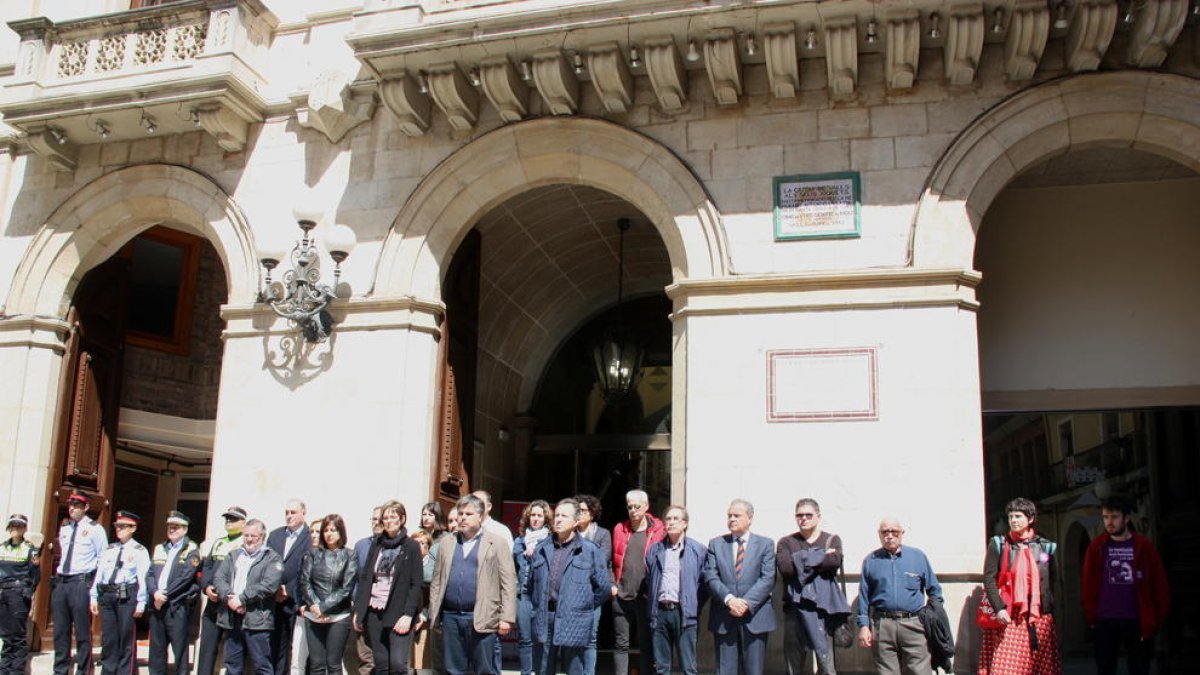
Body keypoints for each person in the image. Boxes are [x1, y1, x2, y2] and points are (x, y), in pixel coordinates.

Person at [426, 494, 516, 675]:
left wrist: (506, 617)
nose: (462, 518)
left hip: (482, 616)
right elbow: (437, 581)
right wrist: (435, 612)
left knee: (483, 669)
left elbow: (508, 581)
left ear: (481, 517)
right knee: (453, 669)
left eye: (468, 514)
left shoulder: (496, 543)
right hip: (451, 617)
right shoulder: (446, 543)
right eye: (460, 514)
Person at [1081, 496, 1170, 675]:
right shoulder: (1097, 547)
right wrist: (1092, 616)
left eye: (1114, 517)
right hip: (1105, 619)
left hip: (1137, 620)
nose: (1109, 522)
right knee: (1105, 668)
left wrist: (1154, 619)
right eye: (1105, 517)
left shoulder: (1144, 546)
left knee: (1139, 668)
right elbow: (1087, 584)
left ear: (1126, 518)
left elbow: (1159, 583)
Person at [978, 498, 1060, 674]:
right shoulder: (998, 544)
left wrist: (1047, 608)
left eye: (1018, 516)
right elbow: (989, 579)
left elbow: (1052, 579)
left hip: (1039, 616)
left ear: (1030, 519)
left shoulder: (1045, 546)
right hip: (1009, 615)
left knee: (1040, 668)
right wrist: (999, 608)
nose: (1013, 520)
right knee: (1006, 668)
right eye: (1010, 517)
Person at [528, 499, 609, 675]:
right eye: (556, 515)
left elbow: (603, 588)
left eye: (564, 516)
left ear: (576, 522)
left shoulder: (590, 551)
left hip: (574, 619)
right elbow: (531, 586)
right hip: (545, 618)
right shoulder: (541, 549)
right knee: (543, 669)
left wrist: (583, 606)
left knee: (574, 669)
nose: (558, 519)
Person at [856, 518, 942, 675]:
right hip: (883, 625)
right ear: (879, 534)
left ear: (902, 533)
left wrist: (931, 617)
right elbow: (863, 597)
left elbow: (935, 591)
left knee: (920, 671)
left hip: (914, 624)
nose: (889, 535)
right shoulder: (870, 561)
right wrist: (863, 626)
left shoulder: (918, 557)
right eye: (885, 532)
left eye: (894, 531)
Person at [703, 499, 777, 675]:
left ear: (749, 518)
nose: (732, 519)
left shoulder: (765, 544)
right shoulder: (716, 544)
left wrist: (745, 603)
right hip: (724, 615)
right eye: (729, 515)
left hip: (755, 616)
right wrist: (730, 600)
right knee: (725, 670)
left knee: (754, 670)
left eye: (737, 515)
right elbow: (710, 576)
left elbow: (768, 578)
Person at [353, 500, 422, 675]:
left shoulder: (411, 547)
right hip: (375, 611)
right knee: (381, 663)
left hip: (399, 613)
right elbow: (366, 578)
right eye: (385, 517)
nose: (389, 520)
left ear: (402, 519)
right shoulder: (377, 544)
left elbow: (416, 584)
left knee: (398, 664)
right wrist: (359, 611)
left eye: (393, 516)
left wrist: (408, 615)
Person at [776, 498, 844, 675]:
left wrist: (799, 558)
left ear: (818, 516)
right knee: (794, 666)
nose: (803, 518)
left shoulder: (832, 540)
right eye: (799, 515)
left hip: (824, 611)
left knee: (826, 665)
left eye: (808, 515)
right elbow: (786, 569)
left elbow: (833, 562)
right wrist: (821, 555)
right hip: (795, 610)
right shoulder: (786, 542)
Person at [214, 518, 284, 675]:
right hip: (231, 618)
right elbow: (219, 578)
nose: (249, 539)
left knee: (262, 665)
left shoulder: (272, 558)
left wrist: (242, 599)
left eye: (254, 536)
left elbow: (269, 585)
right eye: (246, 535)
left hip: (257, 619)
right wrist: (230, 598)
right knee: (232, 664)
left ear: (263, 537)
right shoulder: (233, 555)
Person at [645, 505, 706, 675]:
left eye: (675, 519)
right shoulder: (655, 550)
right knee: (662, 667)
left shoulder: (697, 550)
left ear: (685, 523)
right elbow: (650, 578)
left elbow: (704, 584)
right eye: (668, 519)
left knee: (688, 666)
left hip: (684, 613)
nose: (671, 522)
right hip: (660, 613)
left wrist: (692, 604)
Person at [52, 491, 108, 675]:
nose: (72, 509)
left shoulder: (95, 529)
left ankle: (84, 670)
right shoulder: (65, 528)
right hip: (62, 581)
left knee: (82, 631)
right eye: (70, 505)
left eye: (76, 505)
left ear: (86, 507)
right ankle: (60, 670)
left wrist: (94, 589)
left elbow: (102, 559)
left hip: (81, 582)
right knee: (60, 630)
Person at [90, 510, 151, 675]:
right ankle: (108, 671)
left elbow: (143, 578)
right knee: (109, 638)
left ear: (133, 528)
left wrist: (141, 602)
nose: (118, 529)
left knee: (126, 638)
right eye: (117, 526)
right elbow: (100, 574)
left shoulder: (139, 550)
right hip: (107, 594)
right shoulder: (110, 549)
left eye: (123, 526)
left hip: (126, 595)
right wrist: (94, 596)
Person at [611, 489, 665, 675]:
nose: (633, 510)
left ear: (646, 507)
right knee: (620, 644)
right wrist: (613, 585)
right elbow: (611, 561)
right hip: (621, 594)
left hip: (645, 596)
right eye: (630, 506)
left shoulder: (658, 530)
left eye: (637, 506)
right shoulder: (620, 529)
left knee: (645, 643)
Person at [146, 510, 202, 675]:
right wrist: (155, 592)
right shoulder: (160, 548)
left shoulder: (191, 549)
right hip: (157, 604)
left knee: (180, 650)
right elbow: (149, 574)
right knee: (156, 650)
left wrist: (165, 595)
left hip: (176, 606)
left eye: (176, 527)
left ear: (185, 530)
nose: (172, 530)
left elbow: (185, 578)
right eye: (170, 526)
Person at [302, 514, 358, 675]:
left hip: (338, 616)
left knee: (333, 664)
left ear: (341, 532)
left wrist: (324, 607)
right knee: (316, 664)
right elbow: (304, 582)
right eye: (326, 530)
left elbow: (346, 588)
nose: (329, 533)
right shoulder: (312, 553)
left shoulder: (350, 555)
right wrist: (315, 606)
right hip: (313, 615)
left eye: (333, 530)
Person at [197, 506, 248, 675]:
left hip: (230, 603)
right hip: (213, 602)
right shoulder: (219, 542)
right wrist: (206, 588)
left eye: (233, 519)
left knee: (233, 649)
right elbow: (208, 567)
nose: (228, 521)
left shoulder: (244, 544)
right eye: (227, 518)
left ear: (243, 522)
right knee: (207, 648)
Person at [267, 499, 312, 675]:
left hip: (298, 601)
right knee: (277, 645)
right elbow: (267, 564)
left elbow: (308, 568)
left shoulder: (310, 536)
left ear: (303, 513)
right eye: (287, 512)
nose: (289, 516)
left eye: (293, 512)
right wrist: (276, 588)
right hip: (275, 599)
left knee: (300, 647)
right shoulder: (275, 535)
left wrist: (290, 589)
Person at [573, 494, 611, 675]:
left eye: (583, 511)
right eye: (577, 510)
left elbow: (601, 560)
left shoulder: (603, 534)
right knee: (573, 637)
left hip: (592, 593)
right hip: (570, 593)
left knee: (590, 638)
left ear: (592, 514)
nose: (579, 514)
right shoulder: (568, 532)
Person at [0, 513, 41, 675]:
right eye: (13, 525)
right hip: (3, 593)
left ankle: (16, 670)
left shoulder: (30, 550)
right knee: (5, 634)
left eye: (19, 526)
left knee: (17, 635)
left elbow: (36, 575)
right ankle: (4, 669)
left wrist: (28, 593)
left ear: (24, 528)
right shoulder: (2, 547)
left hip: (18, 594)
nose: (15, 529)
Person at [513, 501, 551, 675]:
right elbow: (515, 568)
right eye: (533, 515)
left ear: (546, 519)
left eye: (539, 516)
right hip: (524, 595)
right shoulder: (519, 541)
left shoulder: (550, 541)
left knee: (541, 640)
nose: (535, 519)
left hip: (542, 596)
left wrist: (534, 552)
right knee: (525, 639)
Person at [353, 506, 384, 675]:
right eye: (373, 519)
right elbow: (356, 579)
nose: (376, 522)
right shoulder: (361, 546)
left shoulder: (395, 546)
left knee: (383, 659)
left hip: (384, 611)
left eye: (379, 519)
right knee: (365, 658)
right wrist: (357, 608)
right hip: (363, 609)